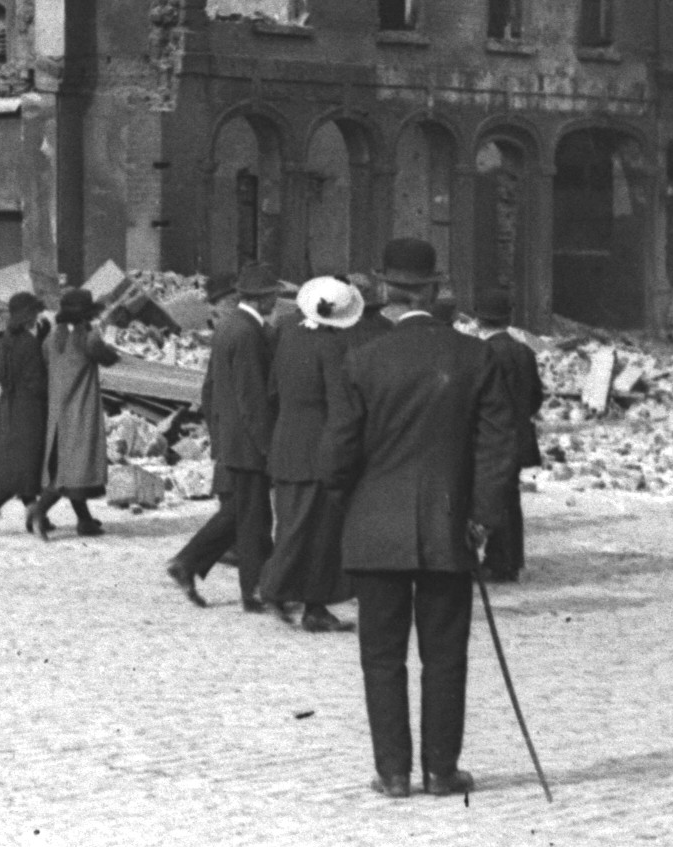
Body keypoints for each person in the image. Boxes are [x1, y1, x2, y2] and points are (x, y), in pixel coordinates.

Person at [322, 238, 518, 799]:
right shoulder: (474, 356)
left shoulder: (361, 359)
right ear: (433, 291)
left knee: (382, 657)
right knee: (445, 654)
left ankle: (392, 773)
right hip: (448, 528)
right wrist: (481, 519)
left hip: (375, 528)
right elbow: (498, 447)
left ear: (385, 289)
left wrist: (353, 505)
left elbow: (336, 456)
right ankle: (440, 771)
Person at [162, 274, 283, 595]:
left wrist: (218, 435)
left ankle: (252, 585)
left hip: (232, 437)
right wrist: (267, 445)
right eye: (273, 295)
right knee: (245, 511)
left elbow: (210, 389)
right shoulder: (247, 332)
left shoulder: (229, 329)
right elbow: (252, 398)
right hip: (247, 441)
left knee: (248, 513)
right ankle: (189, 562)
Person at [259, 276, 362, 634]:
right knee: (317, 531)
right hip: (317, 448)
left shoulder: (288, 334)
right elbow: (341, 406)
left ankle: (304, 601)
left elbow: (272, 390)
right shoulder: (332, 347)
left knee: (292, 523)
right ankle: (280, 589)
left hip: (286, 441)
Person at [30, 285, 121, 541]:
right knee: (72, 472)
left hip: (57, 414)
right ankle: (38, 511)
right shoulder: (88, 338)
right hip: (80, 413)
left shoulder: (51, 340)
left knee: (65, 465)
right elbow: (109, 358)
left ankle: (84, 520)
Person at [466, 289, 543, 581]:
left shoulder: (479, 352)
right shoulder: (524, 351)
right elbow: (536, 397)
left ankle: (499, 563)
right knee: (510, 497)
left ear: (477, 319)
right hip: (519, 435)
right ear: (508, 318)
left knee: (490, 497)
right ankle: (508, 561)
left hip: (490, 437)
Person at [0, 291, 49, 534]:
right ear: (28, 315)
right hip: (29, 409)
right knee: (27, 464)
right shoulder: (28, 343)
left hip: (9, 406)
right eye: (35, 312)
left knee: (19, 462)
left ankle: (34, 515)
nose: (37, 317)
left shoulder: (7, 338)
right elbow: (36, 382)